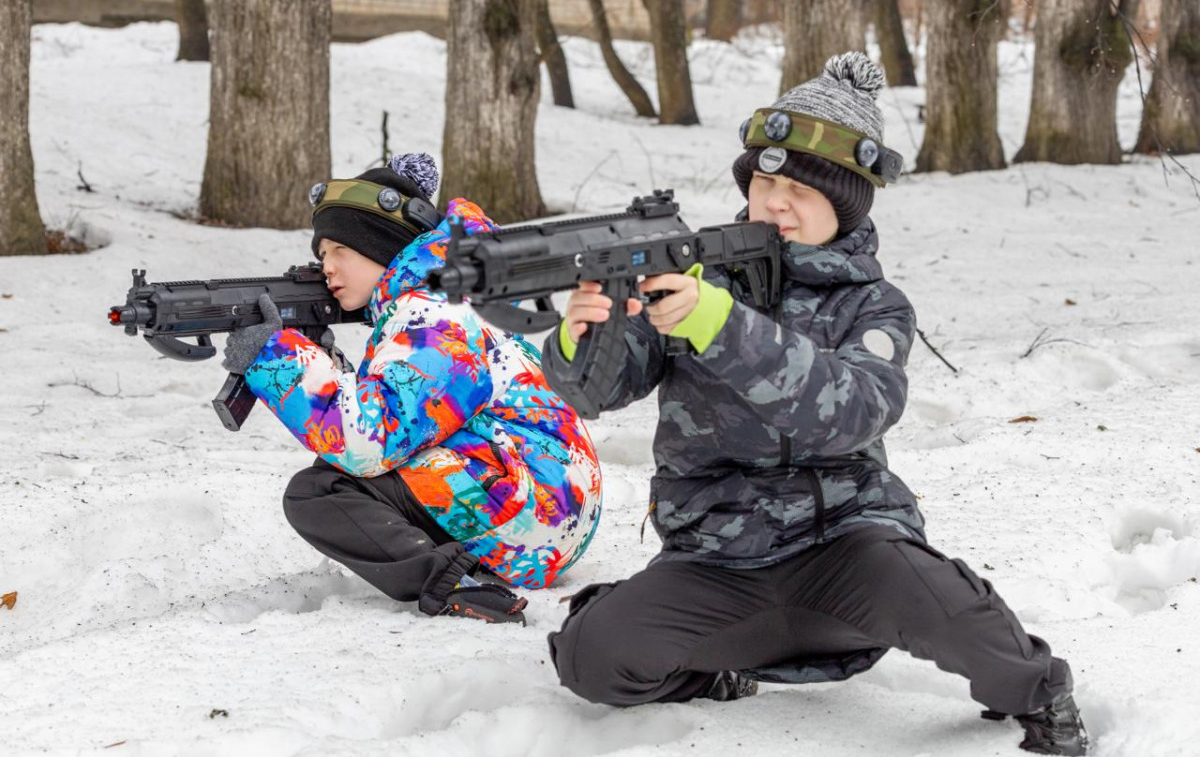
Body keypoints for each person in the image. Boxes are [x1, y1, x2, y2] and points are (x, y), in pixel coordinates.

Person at [541, 54, 1088, 754]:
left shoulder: (876, 306)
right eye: (765, 181)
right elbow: (596, 392)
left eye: (799, 187)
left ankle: (1043, 695)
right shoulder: (696, 278)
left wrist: (720, 323)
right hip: (716, 558)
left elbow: (850, 409)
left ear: (847, 200)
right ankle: (716, 670)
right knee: (592, 653)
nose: (775, 202)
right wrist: (585, 332)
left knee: (955, 612)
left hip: (850, 555)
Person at [221, 153, 603, 624]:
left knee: (320, 492)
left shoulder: (434, 316)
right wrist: (324, 361)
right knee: (342, 475)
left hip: (533, 516)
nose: (328, 268)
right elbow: (403, 413)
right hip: (539, 503)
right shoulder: (446, 296)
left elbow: (367, 442)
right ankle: (462, 563)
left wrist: (275, 357)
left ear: (383, 248)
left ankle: (451, 587)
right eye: (323, 254)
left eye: (342, 250)